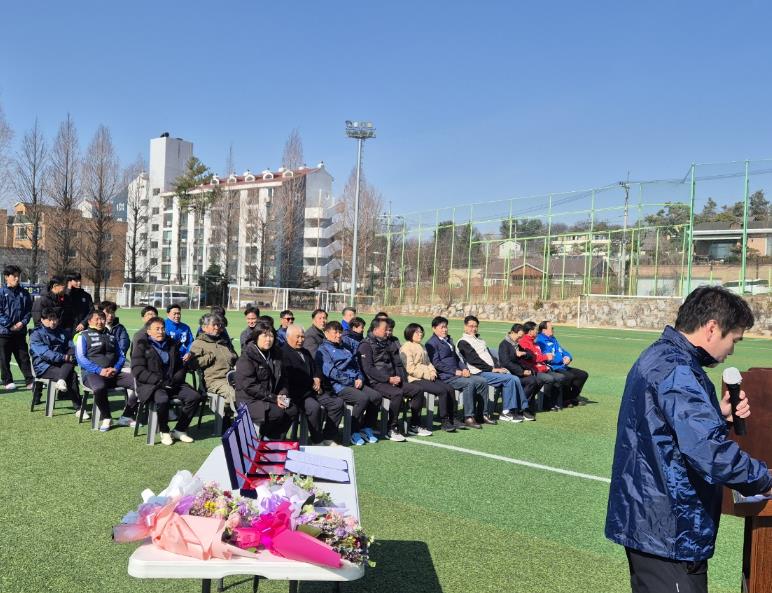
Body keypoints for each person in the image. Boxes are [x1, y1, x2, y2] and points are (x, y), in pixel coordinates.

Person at [605, 286, 772, 593]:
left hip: (656, 521)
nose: (732, 351)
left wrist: (716, 416)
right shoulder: (678, 369)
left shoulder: (662, 356)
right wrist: (764, 479)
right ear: (712, 328)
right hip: (669, 528)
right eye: (733, 339)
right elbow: (708, 451)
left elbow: (666, 430)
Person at [130, 316, 202, 445]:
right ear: (148, 331)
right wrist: (160, 382)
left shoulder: (172, 344)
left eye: (162, 328)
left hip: (172, 383)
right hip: (151, 385)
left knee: (195, 396)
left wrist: (174, 380)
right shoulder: (141, 346)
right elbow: (138, 370)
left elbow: (180, 366)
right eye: (156, 329)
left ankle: (180, 430)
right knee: (162, 400)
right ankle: (164, 431)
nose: (160, 331)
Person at [358, 317, 430, 441]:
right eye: (385, 329)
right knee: (397, 393)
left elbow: (394, 363)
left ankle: (414, 424)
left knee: (417, 390)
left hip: (392, 379)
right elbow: (368, 369)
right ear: (375, 329)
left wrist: (398, 378)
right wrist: (388, 379)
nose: (388, 332)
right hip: (376, 382)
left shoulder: (386, 342)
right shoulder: (365, 345)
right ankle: (392, 428)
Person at [316, 320, 382, 446]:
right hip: (337, 386)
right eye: (335, 332)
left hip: (354, 381)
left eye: (340, 332)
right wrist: (352, 381)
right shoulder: (323, 350)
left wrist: (360, 378)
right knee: (362, 398)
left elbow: (356, 365)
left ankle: (366, 427)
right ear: (326, 333)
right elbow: (332, 373)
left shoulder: (345, 346)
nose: (338, 335)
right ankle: (352, 431)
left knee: (376, 397)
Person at [457, 315, 532, 423]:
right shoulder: (463, 342)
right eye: (470, 326)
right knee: (510, 379)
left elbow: (489, 356)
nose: (473, 328)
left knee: (514, 378)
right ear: (465, 327)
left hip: (488, 370)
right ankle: (512, 411)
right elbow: (474, 360)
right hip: (478, 372)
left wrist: (497, 367)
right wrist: (492, 369)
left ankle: (514, 409)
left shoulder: (480, 340)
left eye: (475, 326)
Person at [234, 320, 297, 439]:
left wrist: (283, 395)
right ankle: (265, 437)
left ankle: (274, 438)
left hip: (271, 398)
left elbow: (283, 379)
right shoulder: (247, 357)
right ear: (256, 337)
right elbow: (250, 386)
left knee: (292, 409)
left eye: (271, 335)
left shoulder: (277, 353)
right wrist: (274, 398)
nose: (268, 339)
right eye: (265, 335)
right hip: (250, 399)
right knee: (277, 412)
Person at [74, 309, 135, 432]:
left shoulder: (111, 336)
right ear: (90, 321)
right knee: (99, 388)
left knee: (141, 383)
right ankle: (107, 417)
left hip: (114, 373)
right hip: (92, 374)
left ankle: (127, 415)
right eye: (97, 319)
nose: (100, 321)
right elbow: (81, 358)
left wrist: (116, 368)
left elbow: (121, 356)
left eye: (102, 318)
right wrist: (99, 370)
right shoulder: (83, 336)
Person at [281, 324, 342, 445]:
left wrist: (318, 378)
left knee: (337, 403)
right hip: (300, 394)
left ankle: (328, 436)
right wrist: (312, 382)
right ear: (288, 337)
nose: (301, 340)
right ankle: (317, 440)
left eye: (302, 337)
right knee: (314, 407)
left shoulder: (305, 351)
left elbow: (316, 368)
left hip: (315, 390)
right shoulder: (283, 353)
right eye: (297, 337)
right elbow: (292, 377)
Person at [425, 316, 487, 429]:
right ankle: (468, 417)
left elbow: (457, 359)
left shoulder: (448, 340)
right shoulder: (431, 343)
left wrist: (464, 369)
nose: (445, 330)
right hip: (445, 377)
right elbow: (436, 363)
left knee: (482, 381)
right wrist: (455, 372)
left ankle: (482, 414)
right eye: (442, 327)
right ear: (434, 329)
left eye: (446, 327)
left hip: (457, 374)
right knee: (469, 383)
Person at [399, 323, 462, 432]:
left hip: (428, 377)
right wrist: (427, 374)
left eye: (421, 331)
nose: (420, 334)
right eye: (417, 332)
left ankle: (453, 418)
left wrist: (432, 372)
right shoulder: (406, 347)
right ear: (410, 333)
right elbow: (410, 369)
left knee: (450, 389)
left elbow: (428, 363)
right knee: (442, 391)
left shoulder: (421, 346)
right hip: (415, 379)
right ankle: (444, 421)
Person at [29, 306, 86, 419]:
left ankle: (61, 381)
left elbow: (72, 347)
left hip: (61, 364)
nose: (53, 322)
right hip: (43, 366)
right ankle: (79, 408)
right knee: (72, 375)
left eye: (54, 318)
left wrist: (69, 356)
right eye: (49, 319)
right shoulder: (36, 334)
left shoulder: (63, 332)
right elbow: (45, 354)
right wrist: (65, 357)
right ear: (42, 320)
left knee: (71, 358)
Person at [190, 313, 238, 414]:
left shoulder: (222, 342)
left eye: (219, 325)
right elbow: (193, 364)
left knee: (249, 391)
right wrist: (209, 357)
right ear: (204, 327)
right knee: (234, 395)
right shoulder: (198, 343)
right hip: (214, 381)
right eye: (214, 325)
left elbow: (234, 357)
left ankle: (226, 414)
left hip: (231, 378)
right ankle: (225, 417)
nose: (217, 328)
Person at [536, 320, 588, 408]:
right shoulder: (540, 341)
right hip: (553, 367)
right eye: (551, 328)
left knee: (583, 375)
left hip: (562, 365)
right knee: (569, 376)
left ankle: (571, 397)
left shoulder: (553, 338)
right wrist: (561, 359)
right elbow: (549, 357)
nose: (553, 329)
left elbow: (562, 350)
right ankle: (565, 399)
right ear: (544, 330)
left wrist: (568, 357)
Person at [519, 321, 567, 411]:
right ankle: (544, 404)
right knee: (549, 379)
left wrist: (546, 360)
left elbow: (538, 356)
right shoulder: (524, 343)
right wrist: (546, 357)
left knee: (561, 377)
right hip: (534, 370)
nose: (537, 332)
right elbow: (532, 358)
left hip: (542, 368)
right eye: (536, 330)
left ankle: (554, 403)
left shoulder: (534, 342)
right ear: (530, 331)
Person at [0, 265, 34, 390]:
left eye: (18, 276)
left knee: (23, 357)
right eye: (14, 276)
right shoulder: (1, 292)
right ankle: (7, 380)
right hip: (4, 332)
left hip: (20, 331)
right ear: (6, 277)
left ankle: (29, 380)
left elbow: (28, 311)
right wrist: (10, 325)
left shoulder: (24, 293)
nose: (17, 278)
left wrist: (22, 323)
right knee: (4, 358)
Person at [498, 323, 546, 404]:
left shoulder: (516, 344)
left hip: (519, 371)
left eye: (521, 337)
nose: (520, 339)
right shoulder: (504, 344)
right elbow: (506, 363)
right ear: (512, 333)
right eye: (519, 337)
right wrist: (522, 372)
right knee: (532, 381)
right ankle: (521, 404)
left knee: (539, 381)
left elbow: (531, 355)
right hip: (510, 373)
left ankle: (526, 403)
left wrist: (523, 353)